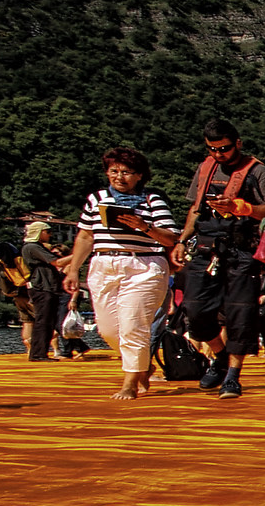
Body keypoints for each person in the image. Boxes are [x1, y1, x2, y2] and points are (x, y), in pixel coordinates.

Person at [175, 119, 265, 401]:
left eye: (223, 148)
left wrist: (243, 207)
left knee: (240, 313)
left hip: (242, 250)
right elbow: (195, 208)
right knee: (194, 309)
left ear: (238, 143)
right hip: (206, 247)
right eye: (212, 149)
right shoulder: (206, 168)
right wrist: (181, 240)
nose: (218, 154)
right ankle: (221, 357)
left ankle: (233, 375)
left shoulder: (258, 171)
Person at [62, 147, 181, 401]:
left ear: (139, 175)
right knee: (107, 329)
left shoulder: (152, 200)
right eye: (114, 171)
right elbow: (85, 236)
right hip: (103, 264)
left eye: (126, 172)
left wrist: (144, 227)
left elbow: (171, 238)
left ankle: (130, 383)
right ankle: (142, 365)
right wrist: (73, 270)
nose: (119, 177)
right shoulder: (97, 199)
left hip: (143, 266)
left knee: (133, 326)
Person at [21, 221, 68, 362]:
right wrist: (80, 254)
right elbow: (57, 262)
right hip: (42, 288)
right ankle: (38, 354)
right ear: (39, 232)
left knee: (47, 321)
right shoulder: (32, 247)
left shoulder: (36, 247)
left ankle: (40, 353)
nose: (50, 235)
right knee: (43, 321)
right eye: (47, 232)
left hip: (46, 288)